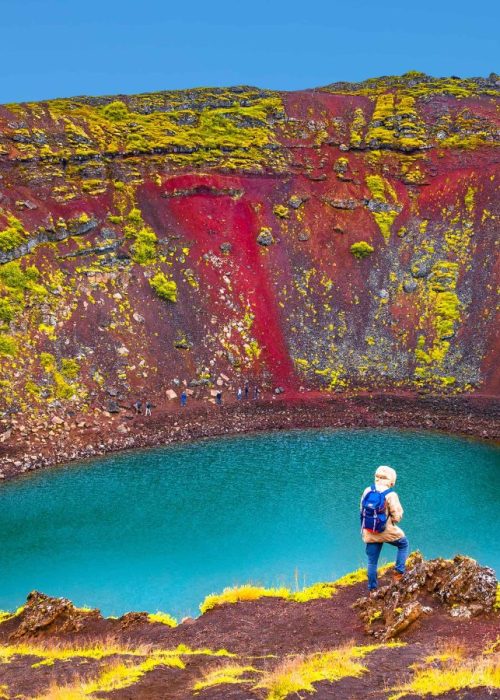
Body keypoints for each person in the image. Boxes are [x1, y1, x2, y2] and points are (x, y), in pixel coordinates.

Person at [360, 465, 409, 592]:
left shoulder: (367, 490)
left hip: (370, 531)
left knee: (372, 562)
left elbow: (362, 510)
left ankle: (372, 589)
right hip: (386, 530)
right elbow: (397, 515)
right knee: (403, 544)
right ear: (391, 480)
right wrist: (392, 521)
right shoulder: (390, 494)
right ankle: (398, 572)